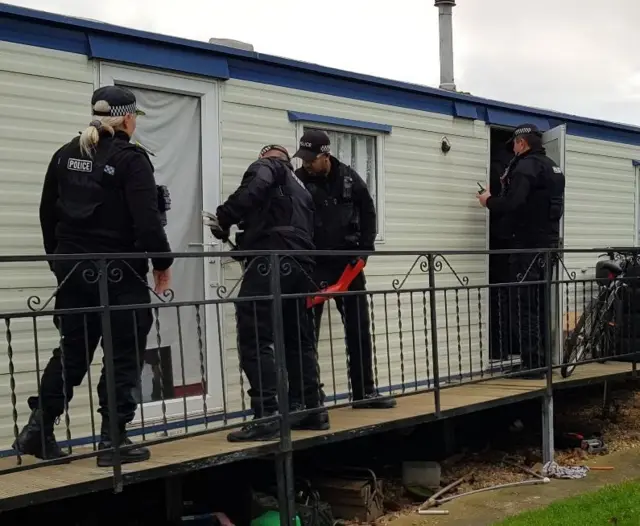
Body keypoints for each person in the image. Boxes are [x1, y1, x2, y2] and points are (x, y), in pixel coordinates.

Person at [14, 85, 173, 466]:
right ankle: (113, 441)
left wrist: (59, 264)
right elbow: (147, 222)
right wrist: (162, 264)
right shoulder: (132, 160)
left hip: (73, 272)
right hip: (118, 274)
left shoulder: (65, 154)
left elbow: (46, 216)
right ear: (127, 118)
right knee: (122, 355)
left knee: (73, 352)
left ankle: (39, 429)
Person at [207, 144, 325, 442]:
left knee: (255, 336)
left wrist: (224, 216)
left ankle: (267, 415)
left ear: (265, 157)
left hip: (273, 262)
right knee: (298, 338)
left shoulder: (268, 168)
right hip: (302, 266)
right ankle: (312, 409)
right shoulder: (301, 188)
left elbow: (253, 192)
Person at [293, 130, 396, 409]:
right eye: (303, 158)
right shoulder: (298, 181)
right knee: (305, 334)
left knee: (358, 328)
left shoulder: (350, 178)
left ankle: (364, 392)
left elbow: (369, 214)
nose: (306, 164)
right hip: (312, 268)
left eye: (311, 159)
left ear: (325, 156)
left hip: (347, 267)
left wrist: (363, 252)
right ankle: (309, 399)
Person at [477, 124, 565, 378]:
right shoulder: (552, 167)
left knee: (524, 305)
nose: (512, 150)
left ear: (522, 144)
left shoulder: (525, 168)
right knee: (540, 303)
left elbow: (514, 203)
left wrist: (488, 201)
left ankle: (531, 364)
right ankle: (540, 360)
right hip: (547, 246)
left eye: (514, 145)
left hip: (527, 246)